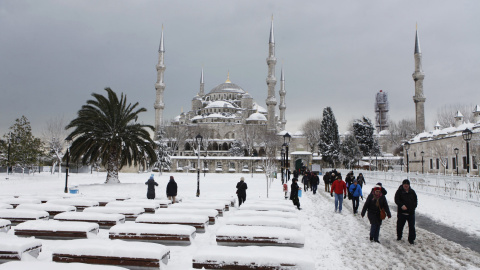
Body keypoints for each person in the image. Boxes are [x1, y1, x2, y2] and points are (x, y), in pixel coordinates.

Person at [395, 179, 418, 245]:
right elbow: (396, 200)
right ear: (403, 185)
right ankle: (399, 236)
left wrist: (413, 207)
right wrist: (401, 205)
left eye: (407, 185)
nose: (406, 186)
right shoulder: (399, 191)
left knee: (412, 227)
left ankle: (411, 239)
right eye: (405, 185)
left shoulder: (412, 192)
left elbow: (415, 201)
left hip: (411, 213)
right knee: (400, 225)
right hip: (402, 212)